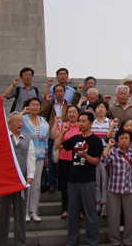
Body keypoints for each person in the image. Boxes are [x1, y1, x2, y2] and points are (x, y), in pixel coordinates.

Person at [55, 111, 104, 246]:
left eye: (83, 121)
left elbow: (96, 161)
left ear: (91, 123)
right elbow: (58, 145)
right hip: (73, 179)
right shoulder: (75, 138)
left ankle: (93, 241)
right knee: (73, 213)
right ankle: (72, 241)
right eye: (79, 121)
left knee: (90, 213)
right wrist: (63, 132)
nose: (80, 124)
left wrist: (86, 156)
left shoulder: (96, 140)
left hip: (87, 179)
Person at [0, 113, 35, 246]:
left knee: (20, 214)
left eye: (21, 121)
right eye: (16, 121)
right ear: (9, 123)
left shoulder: (28, 140)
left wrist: (30, 176)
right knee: (2, 214)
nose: (20, 124)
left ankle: (20, 242)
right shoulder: (3, 139)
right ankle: (0, 242)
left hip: (21, 182)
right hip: (4, 182)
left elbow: (30, 159)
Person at [102, 129, 132, 246]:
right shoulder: (113, 152)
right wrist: (109, 145)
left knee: (130, 217)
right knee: (113, 217)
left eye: (126, 139)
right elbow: (103, 159)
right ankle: (115, 241)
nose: (124, 141)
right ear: (118, 140)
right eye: (121, 138)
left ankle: (128, 241)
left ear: (130, 141)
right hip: (114, 189)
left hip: (130, 189)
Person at [21, 98, 55, 222]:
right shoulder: (23, 120)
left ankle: (33, 211)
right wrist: (22, 113)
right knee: (27, 184)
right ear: (28, 107)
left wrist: (46, 155)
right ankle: (23, 211)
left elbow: (45, 140)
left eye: (37, 105)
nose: (35, 107)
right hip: (26, 155)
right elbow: (11, 121)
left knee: (36, 185)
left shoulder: (44, 122)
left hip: (40, 156)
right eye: (33, 105)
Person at [41, 84, 71, 193]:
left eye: (61, 91)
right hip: (53, 133)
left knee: (63, 160)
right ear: (54, 93)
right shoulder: (51, 105)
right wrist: (47, 102)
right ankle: (52, 183)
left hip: (65, 133)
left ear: (64, 92)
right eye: (57, 91)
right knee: (52, 159)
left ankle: (63, 183)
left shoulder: (68, 106)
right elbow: (42, 113)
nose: (59, 93)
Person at [56, 106, 80, 218]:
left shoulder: (82, 126)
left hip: (78, 160)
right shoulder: (62, 126)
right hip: (64, 160)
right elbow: (55, 139)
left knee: (78, 185)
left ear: (78, 114)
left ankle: (79, 210)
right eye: (69, 112)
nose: (72, 114)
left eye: (74, 112)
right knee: (65, 185)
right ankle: (65, 209)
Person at [90, 100, 112, 216]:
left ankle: (105, 204)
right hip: (94, 154)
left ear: (106, 110)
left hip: (106, 154)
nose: (100, 109)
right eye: (98, 107)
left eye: (102, 107)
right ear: (95, 110)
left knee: (105, 180)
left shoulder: (110, 123)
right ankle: (97, 203)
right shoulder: (91, 124)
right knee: (96, 180)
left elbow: (113, 139)